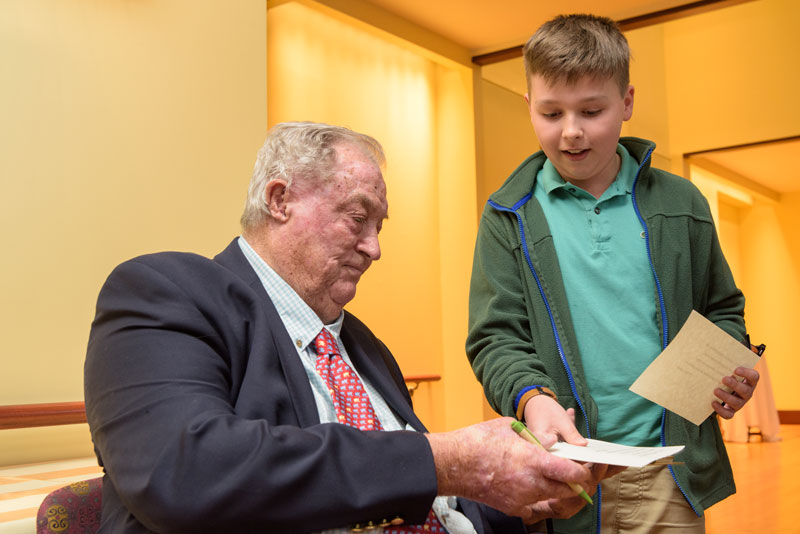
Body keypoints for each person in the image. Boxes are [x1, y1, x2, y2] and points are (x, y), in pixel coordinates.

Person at [84, 121, 617, 534]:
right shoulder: (166, 292)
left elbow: (422, 493)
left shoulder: (364, 347)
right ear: (279, 199)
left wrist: (518, 503)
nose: (375, 248)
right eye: (357, 217)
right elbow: (186, 471)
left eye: (379, 226)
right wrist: (447, 460)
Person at [466, 14, 761, 534]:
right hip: (564, 472)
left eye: (592, 111)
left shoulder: (682, 204)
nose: (572, 131)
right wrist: (532, 398)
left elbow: (722, 310)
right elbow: (495, 338)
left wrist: (725, 374)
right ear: (528, 106)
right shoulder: (505, 217)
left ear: (626, 103)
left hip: (668, 473)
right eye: (551, 113)